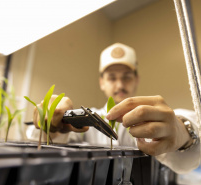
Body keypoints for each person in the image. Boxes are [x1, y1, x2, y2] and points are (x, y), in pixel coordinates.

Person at [28, 43, 200, 174]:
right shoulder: (85, 122)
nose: (120, 85)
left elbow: (189, 148)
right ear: (101, 82)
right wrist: (52, 125)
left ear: (136, 80)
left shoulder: (152, 118)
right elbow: (42, 143)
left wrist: (184, 132)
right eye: (112, 78)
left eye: (127, 77)